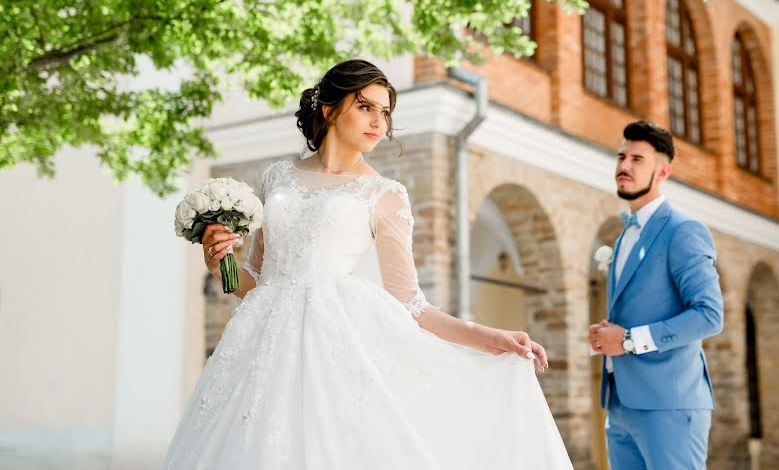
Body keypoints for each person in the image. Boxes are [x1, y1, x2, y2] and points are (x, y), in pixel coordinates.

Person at [164, 59, 574, 469]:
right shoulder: (277, 178)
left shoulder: (385, 195)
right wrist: (220, 267)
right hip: (261, 349)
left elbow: (410, 303)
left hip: (335, 351)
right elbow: (256, 280)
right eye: (365, 107)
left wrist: (490, 337)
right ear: (328, 108)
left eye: (385, 111)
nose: (379, 121)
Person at [588, 121, 723, 470]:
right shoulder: (624, 237)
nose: (624, 166)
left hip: (670, 406)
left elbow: (709, 315)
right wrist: (608, 335)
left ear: (663, 171)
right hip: (620, 404)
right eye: (621, 156)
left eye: (637, 159)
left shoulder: (684, 231)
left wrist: (629, 340)